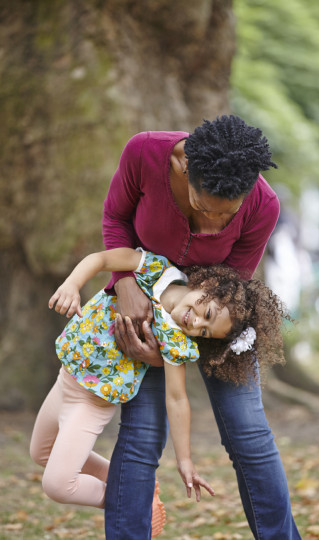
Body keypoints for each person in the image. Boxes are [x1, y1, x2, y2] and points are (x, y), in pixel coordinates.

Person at [102, 115, 302, 539]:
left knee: (249, 435)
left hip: (218, 315)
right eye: (203, 208)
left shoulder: (264, 206)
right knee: (142, 435)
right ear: (184, 167)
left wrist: (177, 343)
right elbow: (116, 218)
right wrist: (124, 286)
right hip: (146, 302)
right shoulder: (145, 153)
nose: (212, 226)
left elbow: (230, 287)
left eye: (225, 217)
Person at [30, 245, 287, 538]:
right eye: (208, 313)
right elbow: (100, 258)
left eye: (205, 331)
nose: (197, 323)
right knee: (41, 453)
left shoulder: (177, 341)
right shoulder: (153, 268)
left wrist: (185, 460)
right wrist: (72, 284)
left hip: (91, 401)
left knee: (58, 485)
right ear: (209, 286)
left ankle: (133, 502)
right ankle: (135, 490)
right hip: (65, 379)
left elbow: (177, 399)